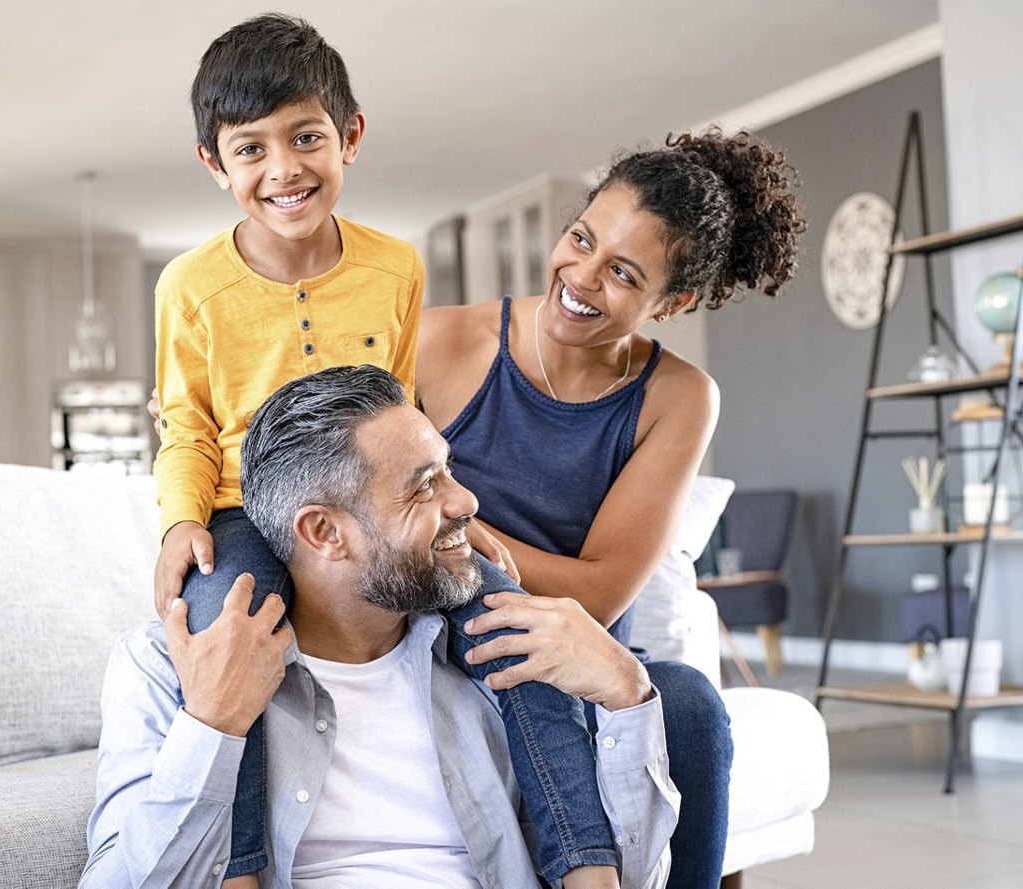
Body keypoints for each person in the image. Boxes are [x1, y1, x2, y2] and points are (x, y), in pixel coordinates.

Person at [154, 14, 631, 886]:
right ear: (214, 164)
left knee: (504, 610)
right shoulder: (188, 285)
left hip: (373, 503)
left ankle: (586, 861)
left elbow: (402, 411)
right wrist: (181, 521)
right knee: (231, 630)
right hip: (241, 504)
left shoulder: (396, 267)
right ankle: (242, 869)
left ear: (351, 136)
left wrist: (446, 514)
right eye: (250, 149)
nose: (284, 169)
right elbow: (185, 423)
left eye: (306, 138)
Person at [83, 366, 679, 888]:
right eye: (424, 486)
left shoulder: (504, 655)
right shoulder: (168, 667)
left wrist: (626, 689)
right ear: (323, 532)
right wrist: (211, 726)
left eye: (449, 471)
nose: (467, 502)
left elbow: (632, 880)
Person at [416, 129, 806, 888]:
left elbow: (596, 593)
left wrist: (456, 522)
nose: (581, 276)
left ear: (675, 301)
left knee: (691, 702)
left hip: (590, 659)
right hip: (452, 638)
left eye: (622, 273)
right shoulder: (440, 341)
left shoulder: (679, 396)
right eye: (581, 238)